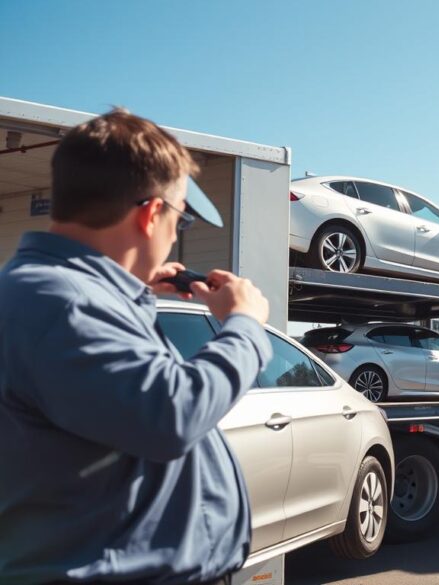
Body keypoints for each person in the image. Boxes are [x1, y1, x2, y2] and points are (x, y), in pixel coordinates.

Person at [0, 109, 272, 584]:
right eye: (179, 221)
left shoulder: (56, 295)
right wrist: (245, 325)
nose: (173, 237)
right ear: (150, 215)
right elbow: (171, 414)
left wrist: (132, 292)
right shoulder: (64, 304)